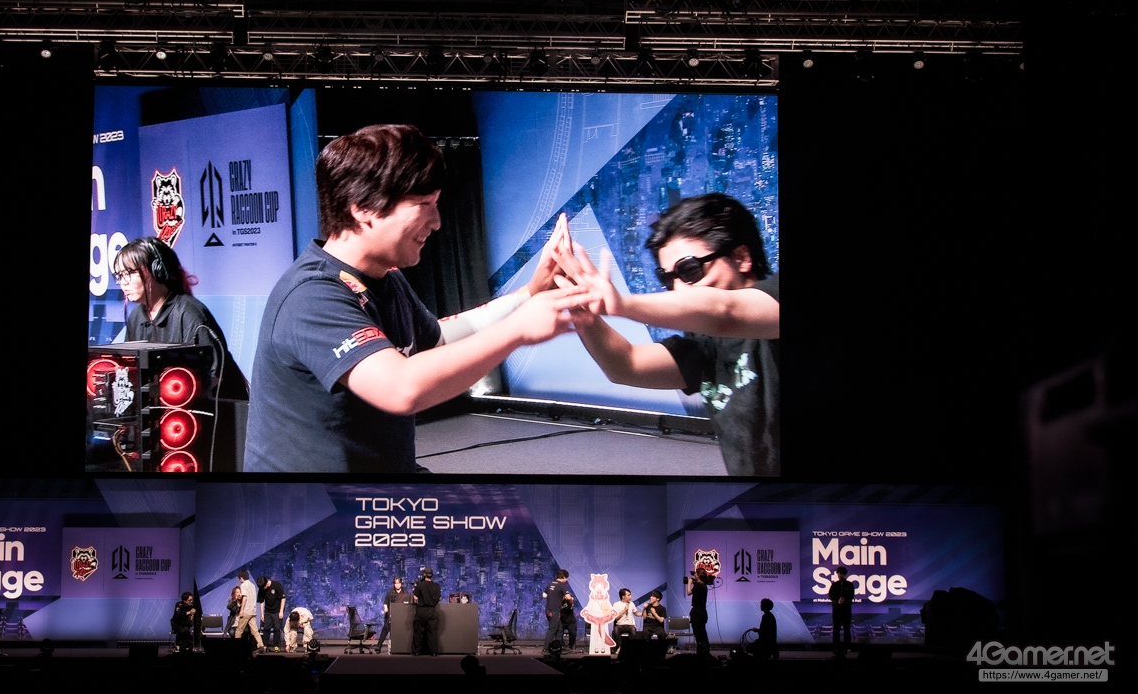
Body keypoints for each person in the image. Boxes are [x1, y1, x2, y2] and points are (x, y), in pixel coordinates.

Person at [244, 124, 588, 473]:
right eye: (424, 205)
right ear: (363, 208)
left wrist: (529, 294)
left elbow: (439, 341)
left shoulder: (386, 277)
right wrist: (517, 330)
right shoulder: (312, 293)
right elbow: (400, 388)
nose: (436, 222)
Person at [554, 193, 779, 476]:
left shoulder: (775, 298)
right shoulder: (705, 342)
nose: (679, 288)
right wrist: (580, 309)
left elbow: (725, 311)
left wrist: (622, 304)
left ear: (740, 257)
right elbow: (626, 365)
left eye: (690, 270)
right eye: (667, 278)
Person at [114, 236, 249, 400]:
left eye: (130, 272)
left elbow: (213, 377)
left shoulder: (190, 314)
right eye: (120, 275)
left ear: (158, 271)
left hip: (211, 409)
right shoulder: (136, 317)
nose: (123, 282)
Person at [377, 576, 412, 654]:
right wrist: (386, 608)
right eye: (396, 583)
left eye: (399, 583)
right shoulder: (390, 592)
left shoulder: (405, 592)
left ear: (401, 584)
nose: (397, 585)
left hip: (401, 615)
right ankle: (378, 646)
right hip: (390, 615)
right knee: (385, 629)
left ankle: (399, 647)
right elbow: (385, 602)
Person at [412, 567, 442, 655]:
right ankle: (434, 652)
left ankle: (417, 651)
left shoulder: (420, 585)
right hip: (432, 611)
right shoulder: (437, 586)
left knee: (418, 632)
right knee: (433, 633)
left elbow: (415, 598)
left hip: (421, 611)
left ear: (424, 575)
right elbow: (439, 598)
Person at [542, 569, 573, 652]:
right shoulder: (561, 585)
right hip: (555, 611)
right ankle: (546, 648)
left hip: (548, 610)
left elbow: (544, 595)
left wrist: (553, 596)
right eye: (566, 578)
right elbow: (568, 597)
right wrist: (569, 598)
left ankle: (557, 647)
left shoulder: (550, 584)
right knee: (552, 630)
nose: (566, 580)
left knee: (559, 630)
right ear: (563, 577)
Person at [233, 570, 265, 652]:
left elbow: (245, 597)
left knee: (239, 630)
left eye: (239, 579)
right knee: (255, 630)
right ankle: (261, 646)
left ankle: (235, 648)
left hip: (246, 611)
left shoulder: (243, 585)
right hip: (253, 611)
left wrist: (242, 610)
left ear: (241, 578)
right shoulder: (252, 585)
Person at [829, 566, 855, 656]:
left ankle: (847, 647)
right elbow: (830, 595)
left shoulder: (849, 585)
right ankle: (835, 647)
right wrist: (837, 601)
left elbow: (851, 595)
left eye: (842, 574)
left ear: (845, 574)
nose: (840, 575)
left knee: (846, 629)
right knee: (836, 629)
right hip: (836, 610)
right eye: (839, 573)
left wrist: (845, 599)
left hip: (846, 610)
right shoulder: (834, 585)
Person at [257, 574, 286, 652]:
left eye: (264, 587)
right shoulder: (261, 589)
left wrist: (281, 611)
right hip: (268, 611)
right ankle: (265, 645)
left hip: (277, 611)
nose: (263, 589)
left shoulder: (276, 585)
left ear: (266, 583)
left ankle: (276, 646)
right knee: (266, 628)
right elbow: (261, 601)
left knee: (277, 628)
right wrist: (262, 614)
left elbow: (283, 598)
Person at [685, 567, 710, 654]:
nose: (694, 575)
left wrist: (689, 583)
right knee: (702, 633)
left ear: (698, 575)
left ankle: (701, 653)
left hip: (697, 614)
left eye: (695, 573)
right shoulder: (703, 585)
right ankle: (704, 652)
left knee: (698, 634)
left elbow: (689, 593)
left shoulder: (698, 586)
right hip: (702, 612)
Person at [611, 587, 637, 652]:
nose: (630, 597)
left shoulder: (631, 604)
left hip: (630, 625)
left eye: (630, 595)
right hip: (620, 625)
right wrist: (624, 610)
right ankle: (620, 647)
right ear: (623, 596)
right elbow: (615, 618)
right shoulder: (616, 604)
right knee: (616, 630)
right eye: (628, 595)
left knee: (633, 630)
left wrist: (644, 611)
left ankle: (629, 647)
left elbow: (636, 613)